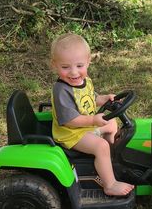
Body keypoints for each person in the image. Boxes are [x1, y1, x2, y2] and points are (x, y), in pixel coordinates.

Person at [50, 33, 134, 196]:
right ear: (55, 65)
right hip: (71, 134)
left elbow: (90, 99)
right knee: (100, 146)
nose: (73, 72)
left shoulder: (85, 81)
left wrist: (104, 99)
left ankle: (109, 160)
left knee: (111, 124)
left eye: (79, 66)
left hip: (83, 127)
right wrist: (93, 120)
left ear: (88, 61)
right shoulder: (62, 90)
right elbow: (70, 121)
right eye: (65, 67)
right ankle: (110, 184)